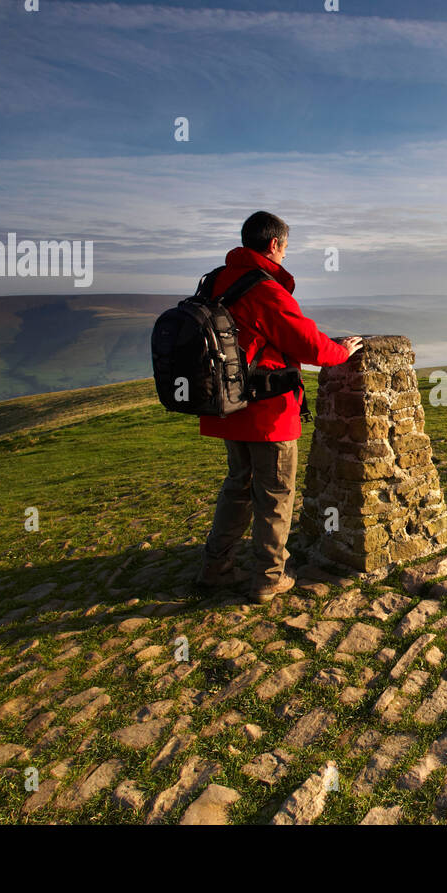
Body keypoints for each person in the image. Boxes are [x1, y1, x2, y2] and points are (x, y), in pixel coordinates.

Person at [194, 211, 362, 601]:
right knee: (274, 494)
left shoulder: (216, 281)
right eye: (285, 248)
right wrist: (342, 351)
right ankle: (270, 577)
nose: (285, 255)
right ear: (274, 245)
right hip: (267, 413)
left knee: (238, 487)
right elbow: (309, 344)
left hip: (227, 407)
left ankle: (216, 566)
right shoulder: (264, 289)